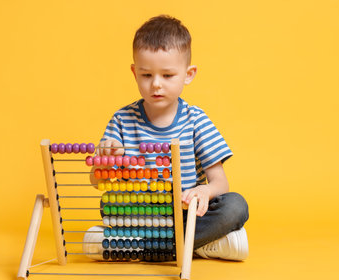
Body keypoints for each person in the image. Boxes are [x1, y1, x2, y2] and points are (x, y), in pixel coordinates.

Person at [84, 15, 249, 261]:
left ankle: (141, 248)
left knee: (235, 205)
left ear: (188, 74)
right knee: (108, 205)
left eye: (168, 75)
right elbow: (97, 183)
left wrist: (204, 191)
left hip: (185, 213)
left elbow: (220, 184)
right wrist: (105, 163)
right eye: (147, 75)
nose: (156, 85)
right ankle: (199, 244)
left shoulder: (196, 120)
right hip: (141, 214)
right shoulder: (121, 120)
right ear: (134, 72)